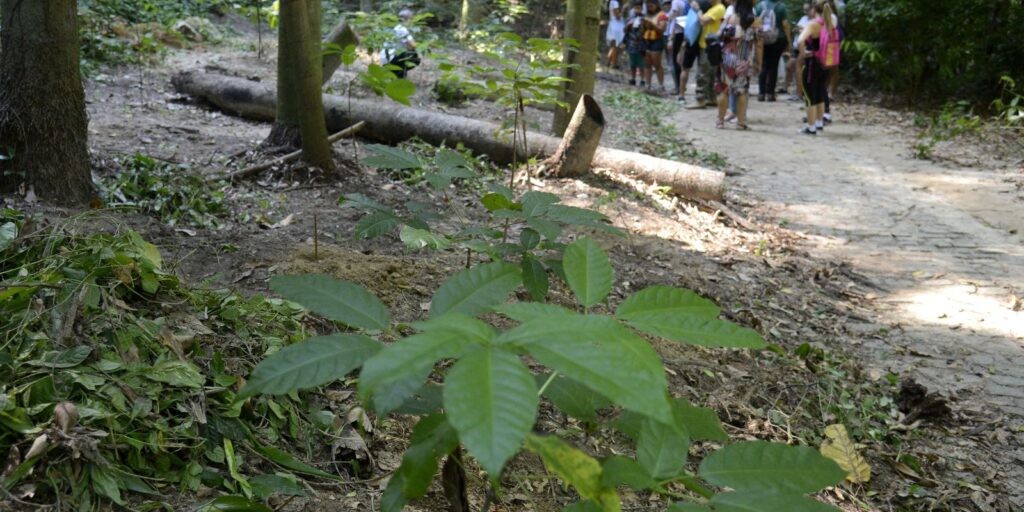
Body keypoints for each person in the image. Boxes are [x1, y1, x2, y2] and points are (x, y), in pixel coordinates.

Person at [716, 0, 760, 129]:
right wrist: (759, 63)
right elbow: (759, 43)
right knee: (742, 91)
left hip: (727, 58)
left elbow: (719, 35)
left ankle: (720, 121)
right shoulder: (755, 21)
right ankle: (741, 123)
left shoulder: (730, 18)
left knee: (724, 90)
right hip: (744, 61)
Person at [796, 0, 835, 135]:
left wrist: (803, 52)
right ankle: (819, 123)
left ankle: (811, 127)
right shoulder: (829, 24)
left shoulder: (813, 25)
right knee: (819, 94)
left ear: (814, 10)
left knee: (809, 97)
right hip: (824, 65)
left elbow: (800, 40)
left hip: (812, 63)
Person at [689, 0, 726, 108]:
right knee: (710, 73)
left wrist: (698, 9)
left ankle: (700, 99)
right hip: (708, 44)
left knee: (703, 73)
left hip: (709, 45)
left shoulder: (719, 8)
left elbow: (703, 21)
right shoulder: (713, 8)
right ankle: (711, 98)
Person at [754, 0, 789, 101]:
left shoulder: (759, 6)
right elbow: (785, 24)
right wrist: (788, 40)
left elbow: (756, 23)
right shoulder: (781, 6)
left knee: (763, 64)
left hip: (762, 39)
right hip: (778, 38)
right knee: (773, 66)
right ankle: (770, 94)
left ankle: (761, 93)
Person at [380, 9, 420, 79]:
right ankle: (398, 74)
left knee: (408, 54)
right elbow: (413, 45)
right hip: (391, 58)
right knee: (414, 56)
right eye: (411, 19)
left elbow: (409, 45)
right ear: (408, 19)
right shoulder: (403, 29)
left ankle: (395, 72)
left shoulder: (397, 27)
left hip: (385, 58)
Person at [783, 2, 812, 97]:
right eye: (804, 10)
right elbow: (796, 28)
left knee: (797, 67)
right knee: (789, 66)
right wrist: (797, 29)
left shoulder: (814, 21)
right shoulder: (803, 18)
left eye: (807, 10)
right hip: (797, 48)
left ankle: (799, 92)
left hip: (805, 47)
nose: (805, 12)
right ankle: (785, 87)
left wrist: (802, 30)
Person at [641, 1, 669, 91]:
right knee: (647, 64)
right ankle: (647, 84)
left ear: (656, 5)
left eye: (651, 6)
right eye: (648, 6)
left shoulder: (662, 15)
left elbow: (662, 29)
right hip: (646, 41)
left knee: (657, 64)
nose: (650, 8)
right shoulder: (646, 15)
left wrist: (652, 25)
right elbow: (643, 30)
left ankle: (661, 85)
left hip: (657, 41)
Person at [664, 0, 689, 96]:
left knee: (675, 61)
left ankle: (678, 87)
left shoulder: (676, 2)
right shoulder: (683, 2)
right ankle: (681, 86)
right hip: (681, 32)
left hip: (677, 33)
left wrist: (671, 38)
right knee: (679, 60)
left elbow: (674, 18)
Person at [624, 1, 648, 86]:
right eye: (636, 8)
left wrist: (643, 24)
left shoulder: (645, 18)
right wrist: (628, 26)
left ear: (642, 8)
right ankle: (633, 78)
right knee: (632, 63)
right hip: (631, 43)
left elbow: (648, 30)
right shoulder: (630, 18)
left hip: (641, 44)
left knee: (641, 63)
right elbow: (625, 30)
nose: (637, 10)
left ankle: (642, 80)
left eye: (639, 8)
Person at [607, 1, 627, 70]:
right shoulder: (615, 2)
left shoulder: (612, 2)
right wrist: (624, 8)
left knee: (613, 47)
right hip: (616, 26)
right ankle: (614, 63)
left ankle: (609, 62)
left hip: (614, 25)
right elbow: (618, 16)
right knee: (616, 46)